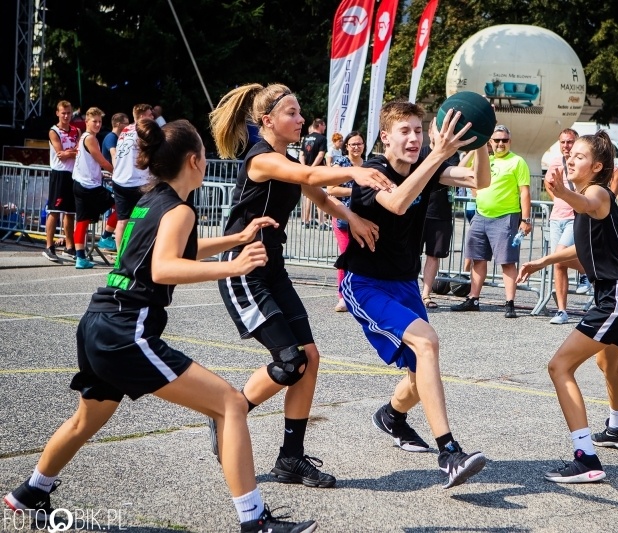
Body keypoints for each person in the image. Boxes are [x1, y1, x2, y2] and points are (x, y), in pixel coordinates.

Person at [3, 118, 317, 533]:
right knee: (230, 405)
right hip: (127, 330)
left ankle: (29, 492)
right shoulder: (180, 209)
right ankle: (254, 521)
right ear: (194, 161)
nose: (208, 160)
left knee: (86, 419)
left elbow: (175, 249)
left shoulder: (151, 200)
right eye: (205, 153)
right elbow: (165, 266)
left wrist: (235, 241)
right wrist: (233, 268)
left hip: (98, 322)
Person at [208, 83, 392, 489]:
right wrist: (354, 169)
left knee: (309, 357)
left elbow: (319, 195)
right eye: (292, 112)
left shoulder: (286, 160)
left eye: (300, 111)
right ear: (267, 121)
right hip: (243, 269)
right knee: (290, 361)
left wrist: (354, 219)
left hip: (272, 267)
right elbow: (310, 174)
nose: (301, 119)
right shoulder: (261, 160)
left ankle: (291, 460)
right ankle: (228, 411)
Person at [336, 101, 490, 489]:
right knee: (427, 344)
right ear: (385, 137)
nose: (413, 138)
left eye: (419, 131)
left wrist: (482, 139)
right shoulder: (371, 174)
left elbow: (478, 180)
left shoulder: (428, 163)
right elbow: (399, 202)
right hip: (366, 283)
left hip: (404, 282)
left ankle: (391, 416)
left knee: (417, 374)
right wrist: (437, 154)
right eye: (404, 131)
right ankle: (449, 452)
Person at [517, 131, 618, 483]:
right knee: (608, 360)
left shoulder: (596, 192)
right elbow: (582, 253)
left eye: (578, 155)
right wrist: (543, 261)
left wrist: (561, 192)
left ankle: (585, 458)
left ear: (598, 166)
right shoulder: (587, 201)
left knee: (559, 367)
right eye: (569, 154)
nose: (570, 159)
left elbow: (587, 203)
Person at [451, 125, 531, 318]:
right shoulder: (486, 159)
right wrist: (475, 147)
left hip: (506, 217)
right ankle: (473, 298)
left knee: (507, 261)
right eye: (496, 140)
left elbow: (525, 192)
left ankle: (509, 303)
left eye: (504, 140)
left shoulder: (517, 162)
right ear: (490, 142)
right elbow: (465, 174)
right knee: (477, 258)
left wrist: (525, 219)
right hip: (481, 215)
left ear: (510, 142)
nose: (501, 144)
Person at [544, 128, 592, 325]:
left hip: (576, 217)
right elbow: (548, 182)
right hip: (557, 217)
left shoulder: (582, 162)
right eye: (563, 142)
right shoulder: (555, 162)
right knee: (558, 263)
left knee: (561, 254)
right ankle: (562, 310)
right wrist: (557, 198)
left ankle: (589, 272)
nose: (566, 146)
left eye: (570, 142)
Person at [420, 121, 461, 309]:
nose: (441, 135)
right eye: (438, 131)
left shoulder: (452, 155)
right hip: (418, 211)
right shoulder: (420, 153)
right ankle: (407, 291)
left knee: (433, 255)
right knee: (411, 253)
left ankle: (426, 294)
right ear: (430, 133)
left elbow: (452, 175)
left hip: (441, 212)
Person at [70, 107, 117, 268]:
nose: (97, 124)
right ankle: (106, 236)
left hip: (81, 183)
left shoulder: (84, 137)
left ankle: (80, 257)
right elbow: (102, 162)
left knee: (82, 221)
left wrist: (100, 174)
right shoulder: (90, 138)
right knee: (121, 205)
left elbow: (89, 163)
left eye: (99, 121)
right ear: (87, 122)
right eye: (94, 121)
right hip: (89, 186)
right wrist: (118, 174)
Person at [328, 131, 365, 312]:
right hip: (343, 216)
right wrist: (354, 192)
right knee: (346, 256)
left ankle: (360, 294)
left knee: (363, 257)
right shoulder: (341, 164)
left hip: (364, 217)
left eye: (359, 144)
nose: (356, 147)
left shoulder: (368, 165)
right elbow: (331, 189)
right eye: (353, 144)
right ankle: (343, 296)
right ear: (347, 147)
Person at [112, 104, 155, 249]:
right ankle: (139, 251)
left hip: (120, 180)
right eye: (150, 114)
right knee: (144, 218)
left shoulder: (126, 129)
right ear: (142, 117)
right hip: (136, 182)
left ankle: (120, 256)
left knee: (122, 220)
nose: (153, 117)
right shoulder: (144, 131)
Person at [42, 100, 80, 263]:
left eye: (69, 113)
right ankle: (49, 246)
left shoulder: (76, 130)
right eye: (63, 113)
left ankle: (69, 246)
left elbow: (80, 152)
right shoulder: (54, 131)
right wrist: (74, 152)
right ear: (57, 113)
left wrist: (72, 153)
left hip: (73, 173)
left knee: (70, 212)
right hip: (59, 173)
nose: (66, 116)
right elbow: (61, 154)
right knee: (55, 210)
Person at [299, 118, 328, 229]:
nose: (325, 127)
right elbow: (321, 155)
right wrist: (312, 168)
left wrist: (304, 167)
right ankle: (321, 222)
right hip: (316, 170)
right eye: (324, 125)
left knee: (307, 196)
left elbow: (301, 154)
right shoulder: (322, 138)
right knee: (318, 195)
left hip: (306, 169)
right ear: (319, 125)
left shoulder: (306, 137)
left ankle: (305, 220)